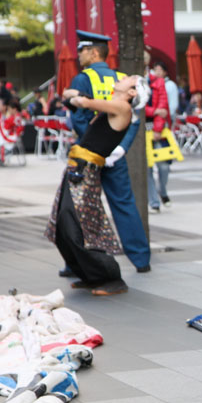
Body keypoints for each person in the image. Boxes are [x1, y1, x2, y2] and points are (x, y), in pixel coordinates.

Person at [47, 75, 148, 296]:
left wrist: (75, 96)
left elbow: (84, 103)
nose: (123, 77)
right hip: (77, 169)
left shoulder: (122, 108)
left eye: (129, 79)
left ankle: (111, 279)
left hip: (85, 173)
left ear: (132, 93)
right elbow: (81, 101)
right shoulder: (115, 105)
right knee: (64, 225)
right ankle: (89, 275)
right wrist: (75, 97)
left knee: (81, 227)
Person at [63, 30, 151, 273]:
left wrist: (93, 145)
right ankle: (141, 260)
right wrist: (119, 148)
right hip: (115, 155)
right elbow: (134, 122)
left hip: (89, 157)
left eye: (82, 50)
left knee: (79, 209)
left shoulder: (83, 78)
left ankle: (74, 264)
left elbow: (80, 119)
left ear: (93, 52)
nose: (79, 55)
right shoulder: (122, 77)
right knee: (124, 204)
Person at [145, 61, 173, 212]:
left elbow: (164, 106)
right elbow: (138, 106)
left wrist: (157, 128)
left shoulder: (158, 82)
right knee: (147, 168)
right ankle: (154, 201)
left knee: (164, 166)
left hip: (159, 129)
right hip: (142, 129)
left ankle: (162, 191)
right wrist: (154, 111)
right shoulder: (132, 82)